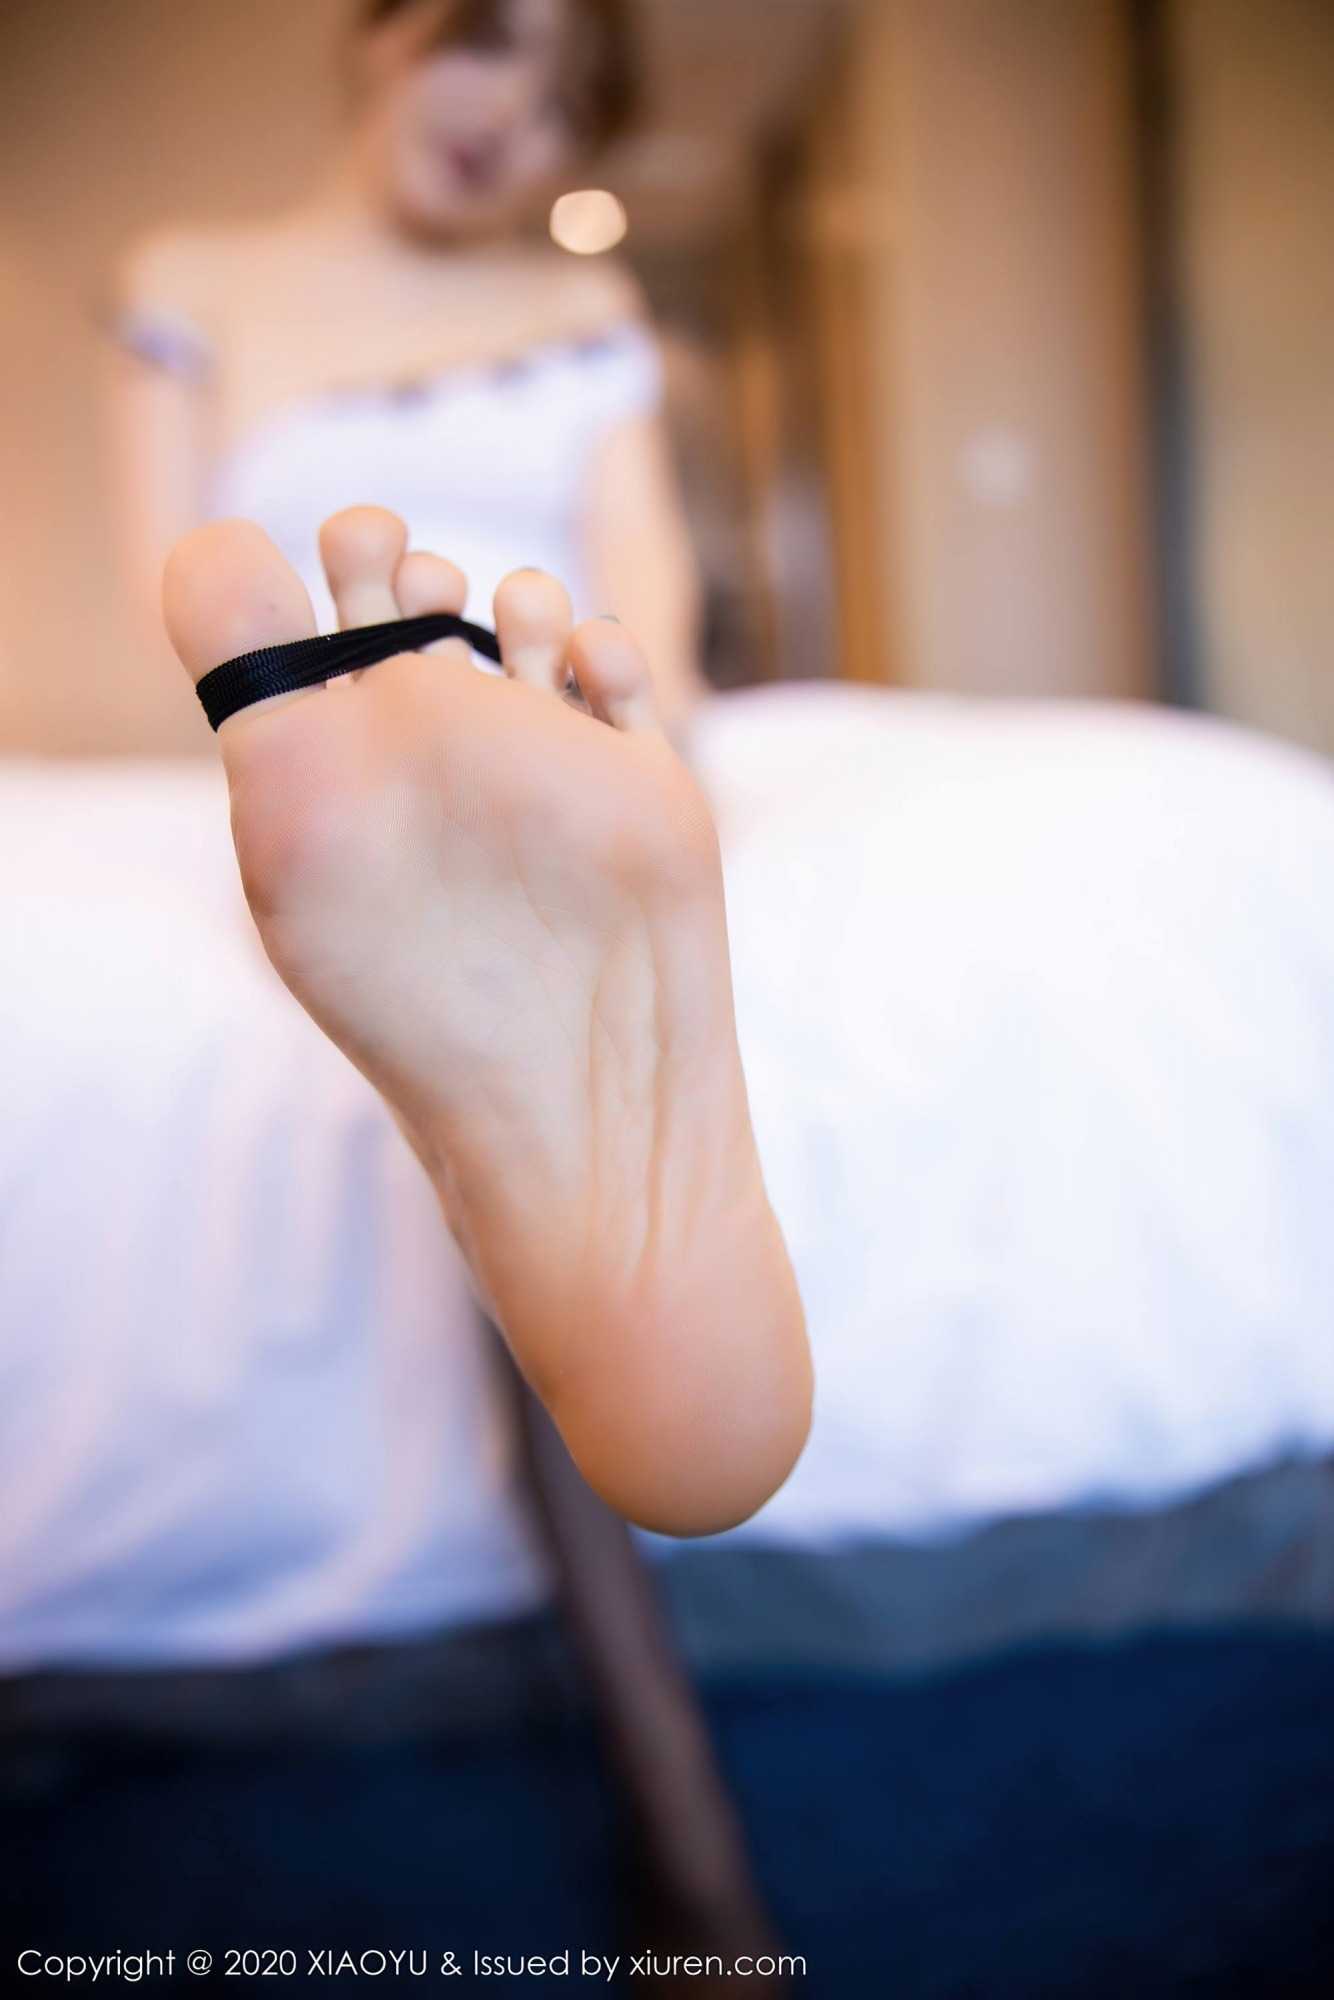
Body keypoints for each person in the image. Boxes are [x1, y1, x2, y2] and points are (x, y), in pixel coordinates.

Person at [109, 0, 703, 735]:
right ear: (380, 32)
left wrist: (655, 731)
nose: (509, 112)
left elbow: (644, 570)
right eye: (485, 43)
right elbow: (169, 596)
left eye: (563, 106)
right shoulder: (190, 285)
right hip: (295, 742)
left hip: (565, 734)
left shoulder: (587, 305)